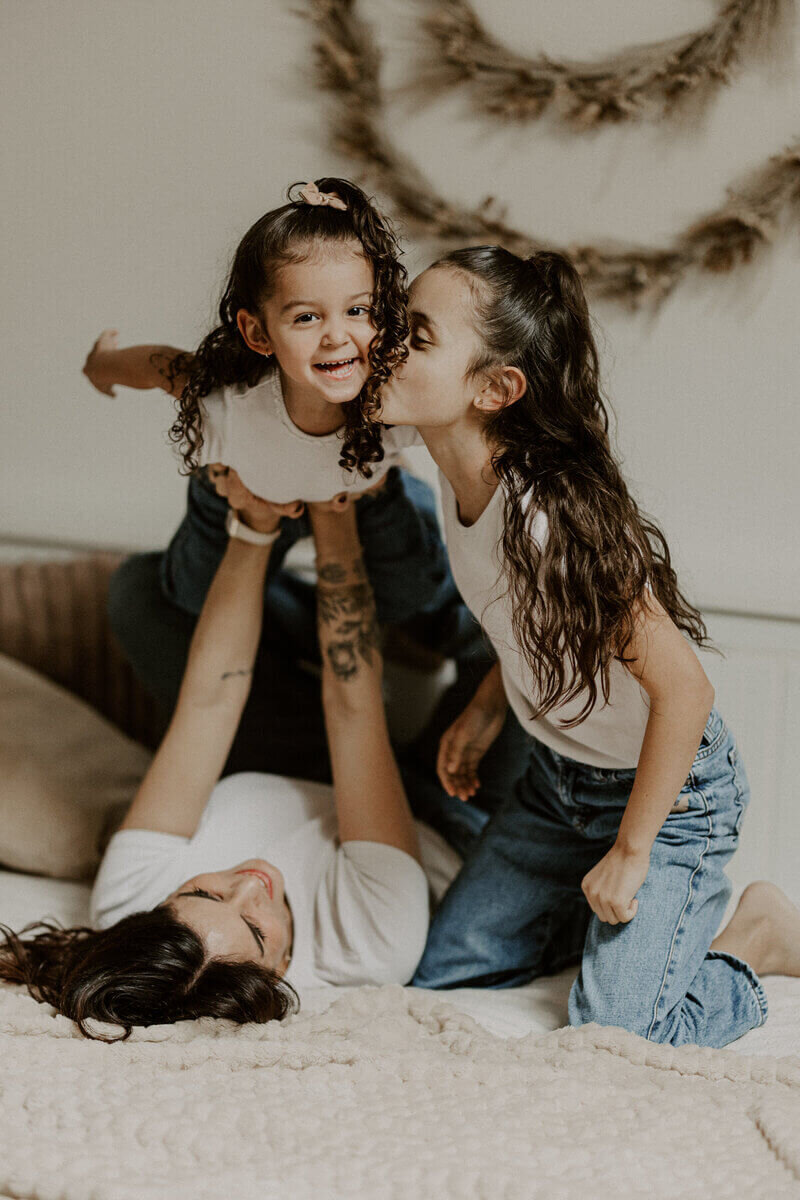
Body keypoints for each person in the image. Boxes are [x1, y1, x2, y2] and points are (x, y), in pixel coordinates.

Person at [358, 244, 800, 1048]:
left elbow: (687, 692)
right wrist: (490, 710)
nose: (386, 344)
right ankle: (609, 929)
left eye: (415, 335)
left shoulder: (549, 521)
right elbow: (520, 619)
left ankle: (753, 937)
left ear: (495, 389)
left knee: (616, 1034)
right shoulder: (446, 468)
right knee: (444, 973)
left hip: (667, 805)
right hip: (557, 786)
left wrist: (633, 852)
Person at [0, 476, 464, 1041]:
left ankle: (396, 610)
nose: (251, 883)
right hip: (449, 810)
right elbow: (352, 708)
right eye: (257, 928)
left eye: (203, 893)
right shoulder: (368, 948)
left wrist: (254, 525)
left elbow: (210, 702)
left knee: (141, 592)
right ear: (276, 975)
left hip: (298, 765)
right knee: (534, 659)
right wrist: (336, 517)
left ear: (164, 903)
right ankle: (448, 624)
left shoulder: (128, 896)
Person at [82, 177, 477, 778]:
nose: (338, 334)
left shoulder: (388, 396)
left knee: (410, 591)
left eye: (359, 310)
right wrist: (103, 364)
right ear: (258, 333)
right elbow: (160, 365)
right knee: (186, 591)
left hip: (364, 494)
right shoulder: (230, 403)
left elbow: (463, 430)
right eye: (306, 316)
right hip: (249, 483)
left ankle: (406, 647)